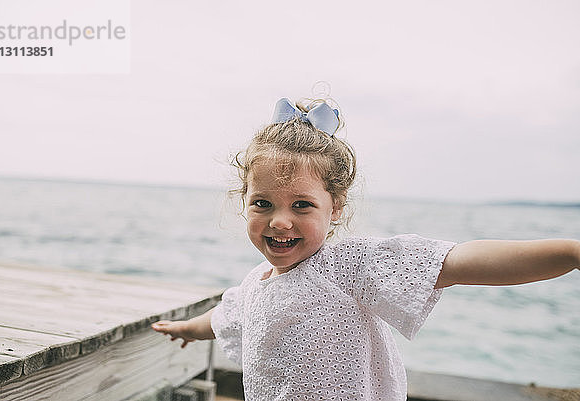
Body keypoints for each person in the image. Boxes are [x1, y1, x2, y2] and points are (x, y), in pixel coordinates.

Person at [152, 97, 580, 400]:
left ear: (335, 208)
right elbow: (224, 316)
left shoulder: (349, 265)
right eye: (263, 203)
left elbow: (460, 262)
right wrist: (186, 328)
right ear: (243, 201)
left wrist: (571, 252)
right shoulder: (255, 285)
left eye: (302, 205)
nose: (279, 220)